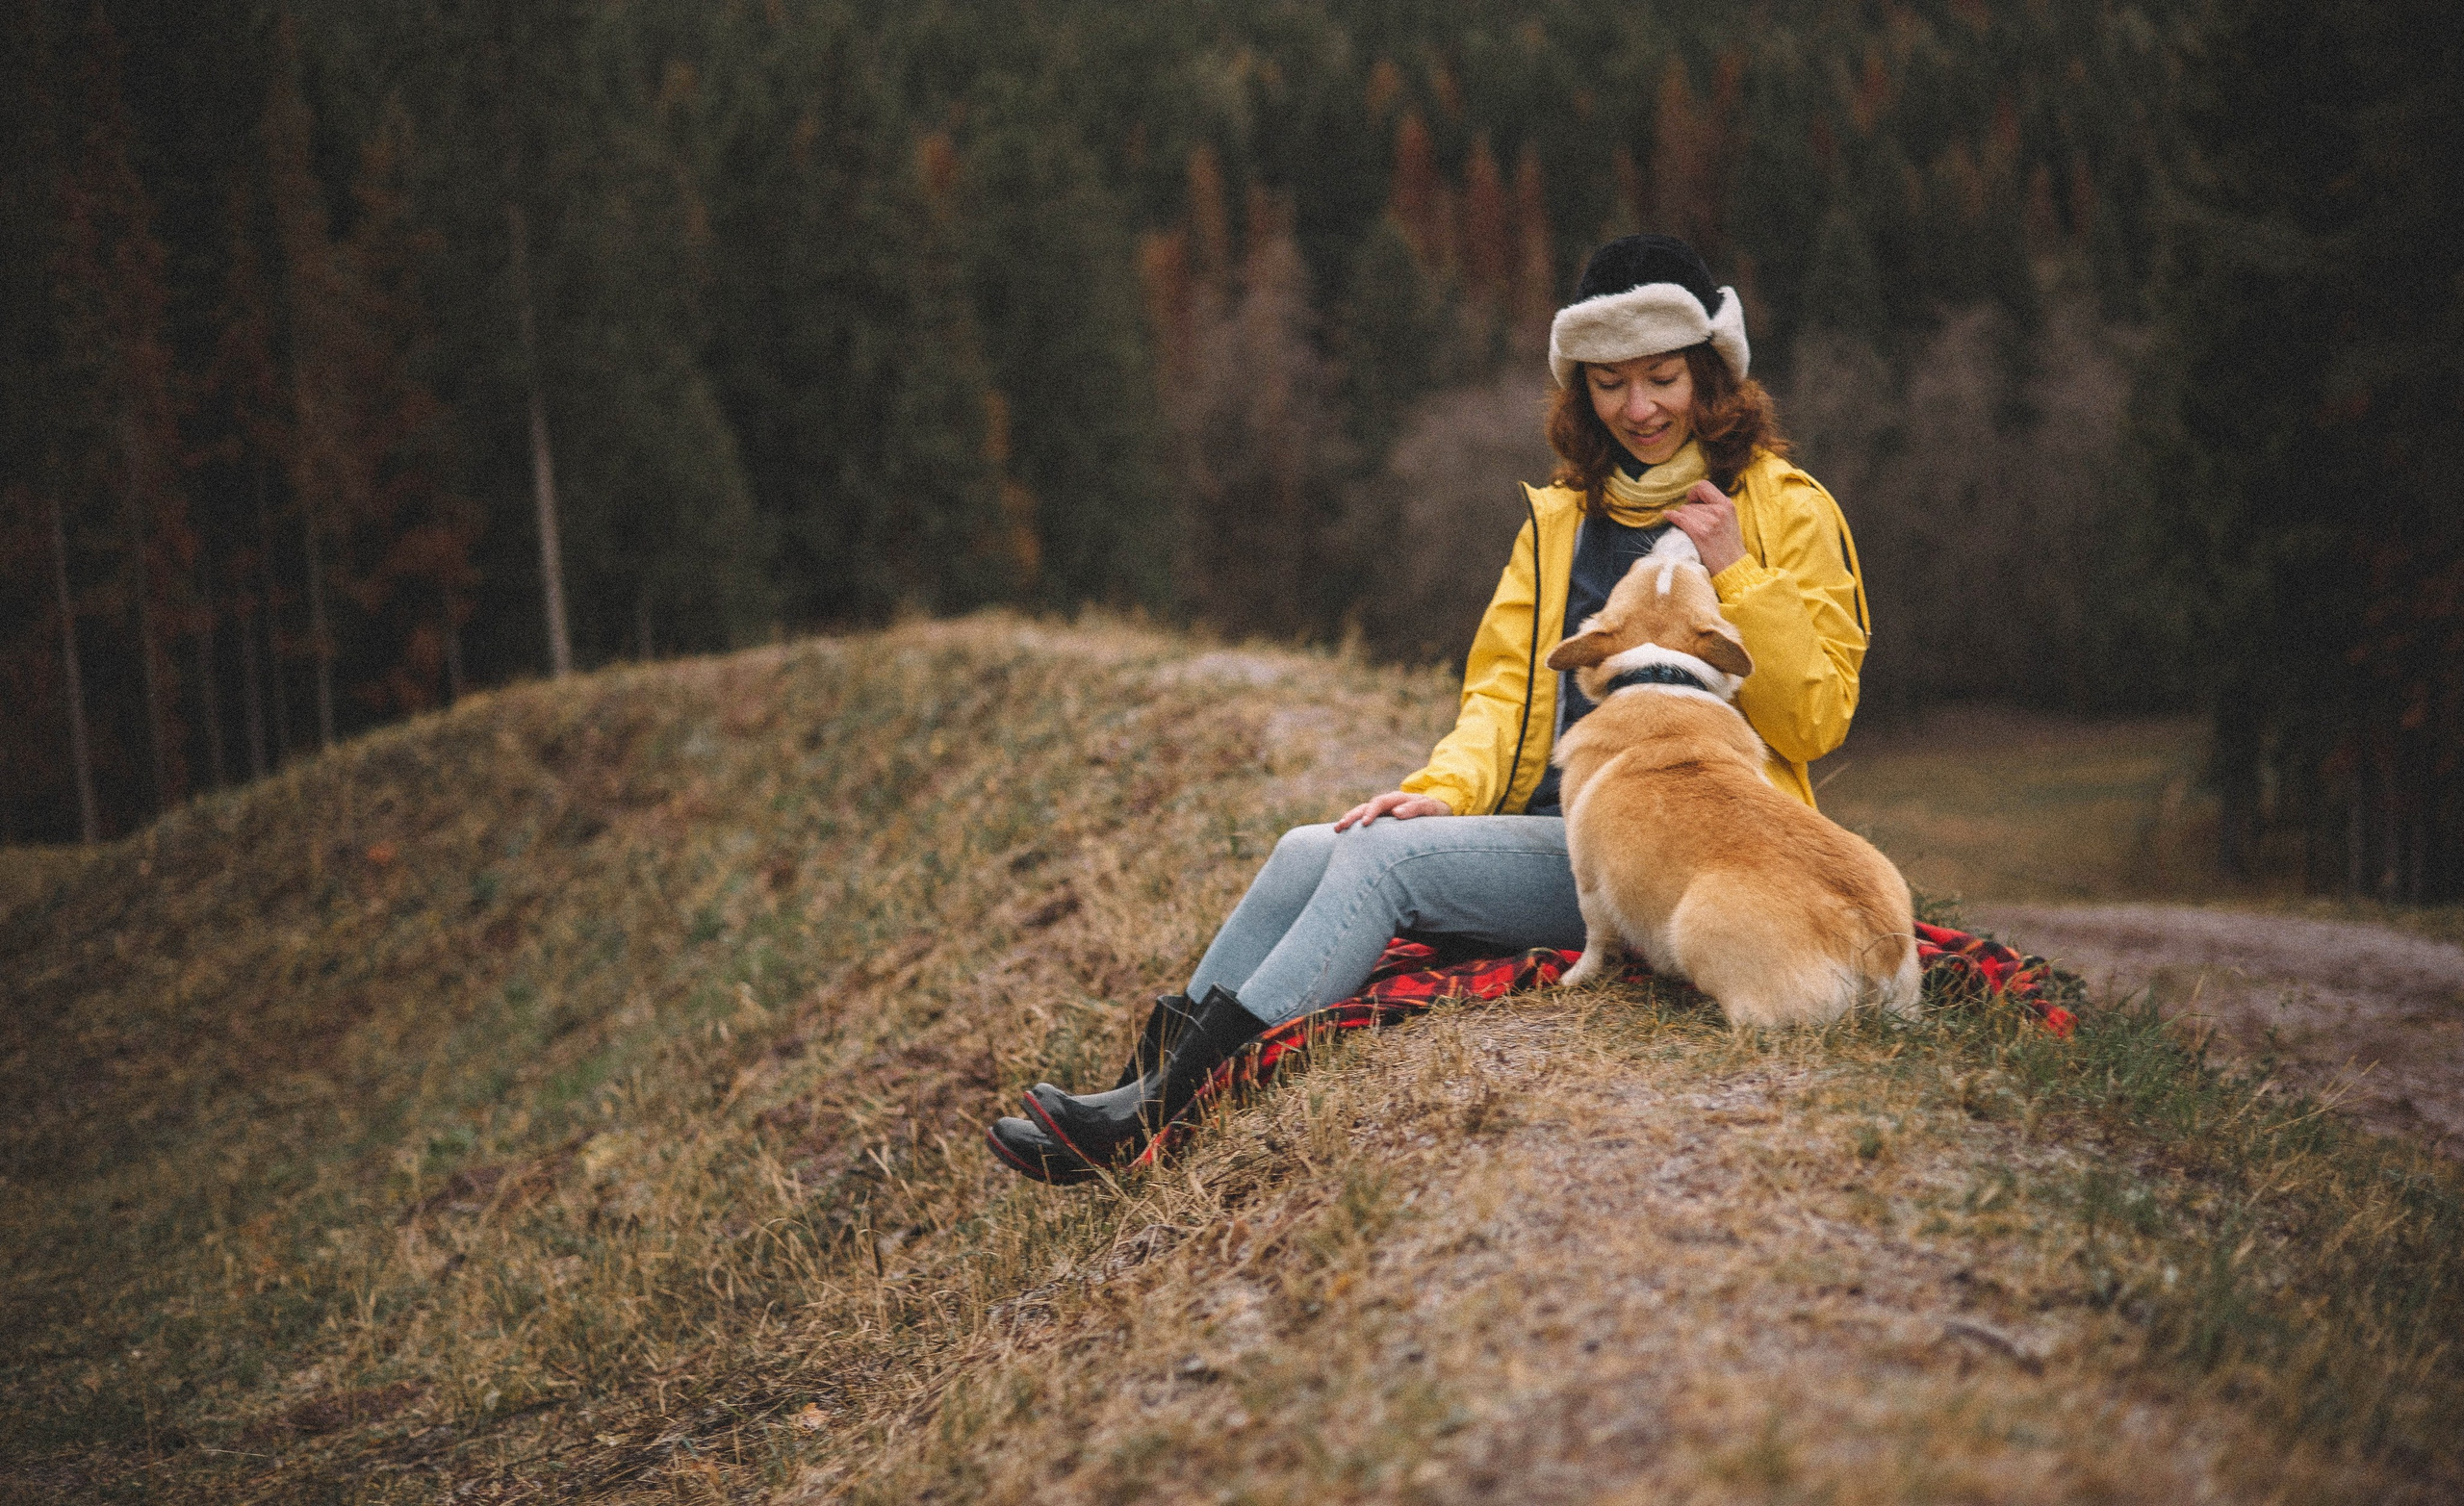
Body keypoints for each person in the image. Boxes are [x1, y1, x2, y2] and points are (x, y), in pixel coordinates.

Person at [987, 235, 1871, 1184]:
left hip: (1665, 854)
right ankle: (1138, 1084)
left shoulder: (1785, 508)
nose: (1638, 407)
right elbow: (1498, 692)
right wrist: (1445, 791)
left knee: (1380, 863)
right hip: (1548, 832)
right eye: (1609, 383)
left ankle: (1166, 1118)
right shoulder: (1563, 519)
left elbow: (1815, 719)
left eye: (1662, 376)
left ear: (1713, 372)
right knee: (1305, 847)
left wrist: (1736, 566)